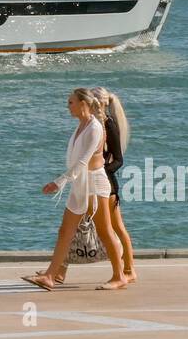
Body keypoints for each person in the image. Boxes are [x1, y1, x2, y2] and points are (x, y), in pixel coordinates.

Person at [23, 89, 126, 292]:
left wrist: (59, 182)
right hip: (80, 184)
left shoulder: (95, 127)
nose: (67, 106)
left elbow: (83, 161)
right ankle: (50, 276)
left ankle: (120, 276)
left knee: (105, 231)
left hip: (95, 184)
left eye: (70, 102)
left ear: (83, 104)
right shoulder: (82, 125)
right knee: (65, 231)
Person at [97, 87, 137, 283]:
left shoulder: (109, 125)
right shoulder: (94, 125)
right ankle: (58, 271)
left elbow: (119, 160)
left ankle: (128, 269)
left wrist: (102, 172)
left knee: (117, 227)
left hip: (107, 184)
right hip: (96, 183)